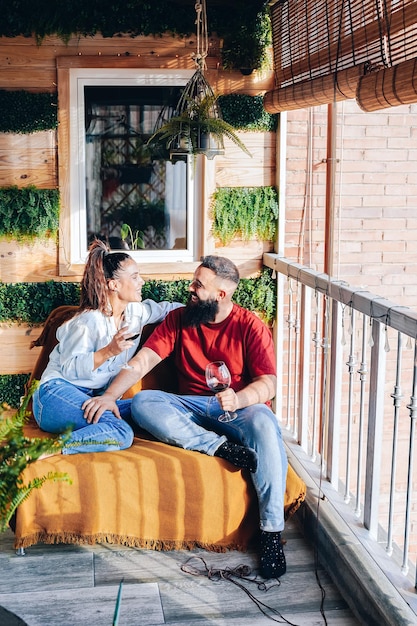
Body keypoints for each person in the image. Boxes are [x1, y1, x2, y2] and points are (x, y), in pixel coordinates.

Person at [82, 255, 288, 579]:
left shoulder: (250, 326)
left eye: (198, 285)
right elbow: (143, 361)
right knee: (144, 401)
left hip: (236, 408)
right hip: (188, 408)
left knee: (264, 421)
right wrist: (109, 396)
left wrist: (240, 397)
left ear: (221, 295)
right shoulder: (179, 319)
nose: (189, 288)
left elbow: (269, 383)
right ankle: (218, 448)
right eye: (193, 281)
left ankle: (271, 533)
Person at [32, 238, 182, 455]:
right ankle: (43, 450)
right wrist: (108, 351)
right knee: (120, 431)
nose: (142, 281)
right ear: (114, 285)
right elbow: (69, 369)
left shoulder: (136, 313)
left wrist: (208, 306)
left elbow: (169, 310)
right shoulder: (88, 321)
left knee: (149, 407)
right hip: (55, 395)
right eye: (134, 277)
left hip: (93, 399)